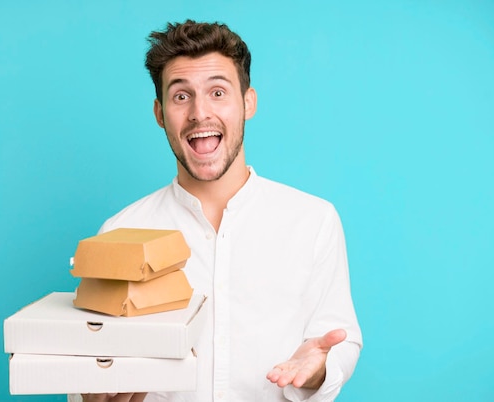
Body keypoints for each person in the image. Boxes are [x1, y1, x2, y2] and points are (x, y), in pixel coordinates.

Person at [75, 20, 362, 402]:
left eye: (217, 92)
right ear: (160, 114)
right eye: (181, 96)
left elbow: (337, 340)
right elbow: (92, 366)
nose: (199, 113)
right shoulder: (119, 232)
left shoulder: (313, 220)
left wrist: (318, 371)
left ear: (248, 103)